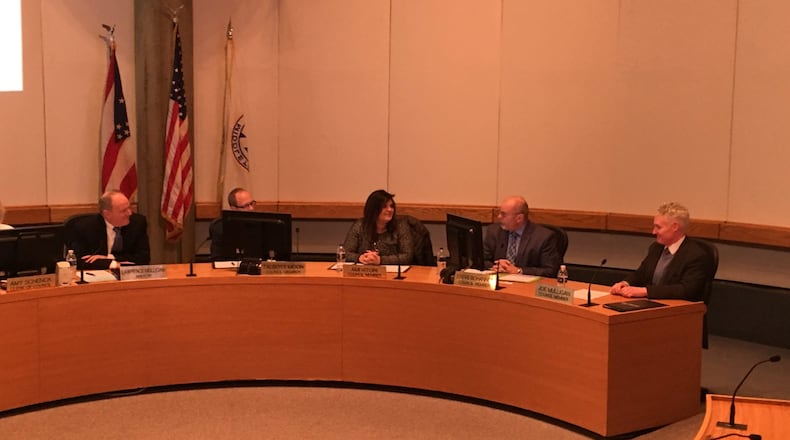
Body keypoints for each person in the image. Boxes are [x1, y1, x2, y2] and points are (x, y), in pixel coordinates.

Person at [610, 202, 714, 301]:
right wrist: (625, 283)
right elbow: (641, 274)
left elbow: (687, 290)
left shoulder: (697, 255)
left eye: (658, 227)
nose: (653, 232)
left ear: (675, 227)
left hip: (678, 313)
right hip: (650, 307)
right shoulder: (656, 248)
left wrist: (646, 291)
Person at [483, 196, 561, 277]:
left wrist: (519, 270)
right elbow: (481, 260)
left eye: (503, 214)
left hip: (528, 286)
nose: (499, 217)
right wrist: (495, 266)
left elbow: (551, 271)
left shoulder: (544, 237)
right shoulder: (494, 231)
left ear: (519, 218)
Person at [71, 190, 150, 270]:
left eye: (129, 208)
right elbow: (77, 261)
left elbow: (143, 259)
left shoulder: (137, 223)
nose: (129, 213)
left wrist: (108, 258)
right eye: (123, 210)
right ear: (107, 214)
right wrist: (113, 264)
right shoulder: (85, 227)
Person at [343, 189, 414, 265]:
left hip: (392, 274)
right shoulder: (360, 225)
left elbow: (407, 256)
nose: (390, 210)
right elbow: (345, 253)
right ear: (373, 209)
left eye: (391, 206)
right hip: (365, 272)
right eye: (384, 206)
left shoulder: (400, 225)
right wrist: (360, 258)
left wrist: (380, 260)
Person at [209, 187, 255, 260]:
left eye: (252, 204)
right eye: (246, 206)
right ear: (233, 208)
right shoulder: (219, 227)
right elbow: (216, 258)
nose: (251, 208)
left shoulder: (261, 224)